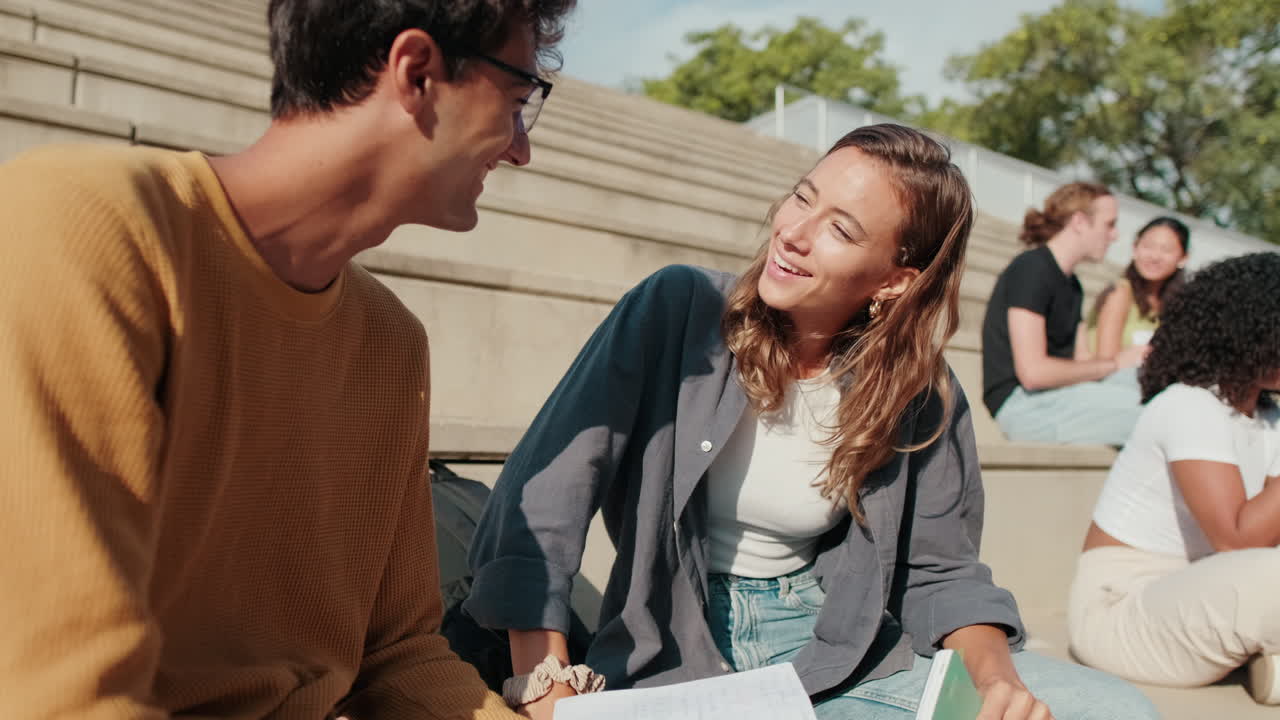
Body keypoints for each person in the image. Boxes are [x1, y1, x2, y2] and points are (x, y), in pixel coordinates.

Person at [464, 125, 1158, 720]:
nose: (793, 233)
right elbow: (548, 494)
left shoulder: (919, 390)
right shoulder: (678, 308)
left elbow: (943, 570)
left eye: (840, 229)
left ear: (894, 279)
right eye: (803, 196)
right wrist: (546, 684)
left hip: (831, 651)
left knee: (1116, 709)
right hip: (671, 648)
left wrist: (998, 681)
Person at [0, 0, 575, 716]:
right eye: (517, 101)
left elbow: (397, 655)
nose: (521, 149)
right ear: (417, 73)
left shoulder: (390, 342)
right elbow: (64, 696)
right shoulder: (84, 228)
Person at [1068, 252, 1280, 705]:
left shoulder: (1269, 419)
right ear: (1251, 331)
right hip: (1121, 611)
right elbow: (1238, 541)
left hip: (1204, 592)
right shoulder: (1190, 405)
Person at [981, 182, 1148, 446]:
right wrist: (1115, 363)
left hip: (1058, 396)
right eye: (1109, 225)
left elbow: (1083, 361)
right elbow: (1033, 373)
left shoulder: (1073, 285)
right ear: (1079, 221)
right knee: (1157, 414)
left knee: (1156, 389)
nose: (1115, 236)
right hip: (1023, 406)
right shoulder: (1031, 269)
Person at [1087, 217, 1189, 358]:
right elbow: (1106, 359)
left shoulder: (1179, 306)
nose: (1155, 257)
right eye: (1148, 246)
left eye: (1166, 250)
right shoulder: (1119, 293)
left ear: (1183, 258)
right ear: (1135, 248)